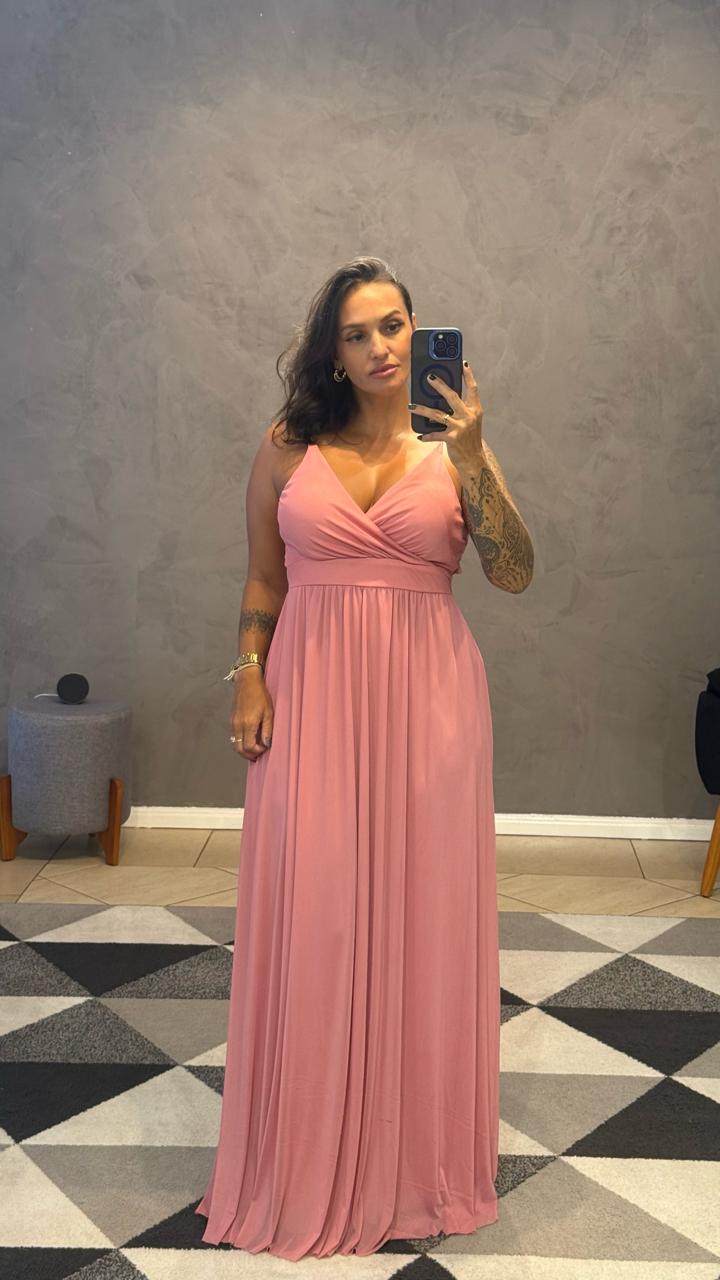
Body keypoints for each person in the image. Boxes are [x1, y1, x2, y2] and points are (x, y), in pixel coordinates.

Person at [195, 255, 534, 1260]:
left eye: (395, 325)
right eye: (358, 333)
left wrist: (474, 454)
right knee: (319, 912)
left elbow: (515, 571)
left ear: (417, 332)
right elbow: (264, 576)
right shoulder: (287, 445)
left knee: (423, 915)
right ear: (332, 354)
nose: (382, 347)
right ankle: (306, 1145)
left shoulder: (454, 445)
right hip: (311, 697)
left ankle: (415, 1161)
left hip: (431, 707)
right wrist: (248, 674)